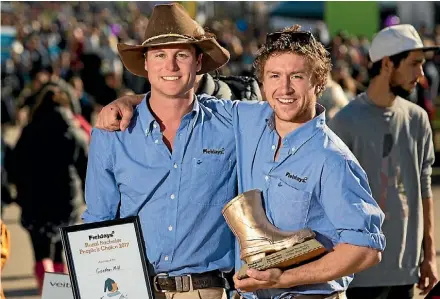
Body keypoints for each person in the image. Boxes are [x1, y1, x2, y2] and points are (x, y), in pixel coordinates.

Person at [96, 23, 385, 299]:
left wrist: (282, 279)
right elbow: (172, 95)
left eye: (297, 76)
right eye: (274, 76)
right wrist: (131, 101)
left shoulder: (331, 157)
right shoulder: (246, 120)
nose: (284, 89)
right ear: (262, 82)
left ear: (318, 82)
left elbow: (367, 250)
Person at [83, 4, 236, 299]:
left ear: (198, 62)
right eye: (160, 55)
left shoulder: (231, 123)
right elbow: (98, 222)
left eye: (181, 54)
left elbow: (286, 110)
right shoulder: (111, 133)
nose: (170, 66)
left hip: (205, 290)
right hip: (131, 289)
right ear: (146, 63)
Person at [328, 24, 440, 299]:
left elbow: (425, 189)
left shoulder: (417, 119)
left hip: (407, 269)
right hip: (360, 272)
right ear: (388, 64)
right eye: (414, 64)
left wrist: (429, 255)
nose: (422, 75)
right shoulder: (345, 122)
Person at [11, 85, 89, 294]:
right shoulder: (74, 133)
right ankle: (58, 292)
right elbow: (86, 169)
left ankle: (47, 287)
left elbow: (15, 165)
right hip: (66, 202)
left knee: (41, 251)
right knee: (60, 252)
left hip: (35, 200)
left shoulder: (28, 132)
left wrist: (18, 192)